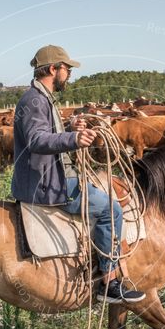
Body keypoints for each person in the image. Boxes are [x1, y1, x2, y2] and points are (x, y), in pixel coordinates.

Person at [11, 45, 145, 304]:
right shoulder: (35, 100)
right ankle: (109, 283)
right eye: (67, 68)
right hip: (47, 184)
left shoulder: (42, 97)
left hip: (49, 176)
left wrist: (70, 126)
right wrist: (74, 138)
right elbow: (37, 139)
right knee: (111, 210)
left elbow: (47, 133)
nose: (69, 73)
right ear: (53, 69)